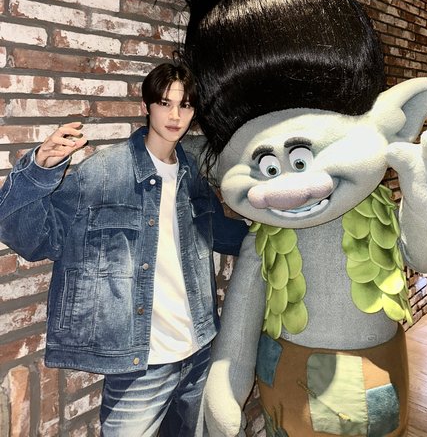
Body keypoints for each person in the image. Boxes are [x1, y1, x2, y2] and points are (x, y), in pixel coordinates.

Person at [0, 60, 248, 437]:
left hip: (199, 350)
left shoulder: (190, 174)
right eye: (165, 103)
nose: (175, 116)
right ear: (147, 106)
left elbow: (220, 233)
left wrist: (276, 234)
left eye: (185, 105)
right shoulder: (103, 172)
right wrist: (38, 170)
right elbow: (32, 240)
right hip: (139, 365)